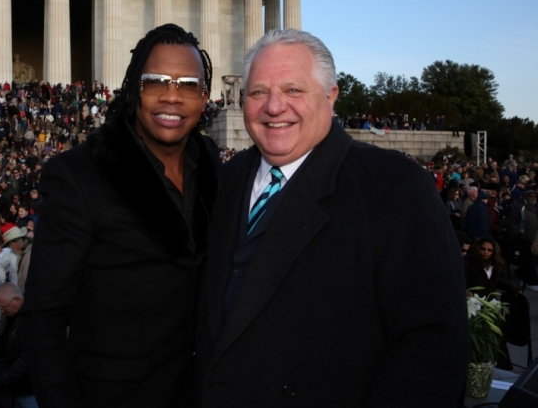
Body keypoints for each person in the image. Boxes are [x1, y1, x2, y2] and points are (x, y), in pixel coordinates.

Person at [195, 29, 468, 406]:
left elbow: (432, 348)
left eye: (294, 90)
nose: (274, 107)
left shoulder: (393, 188)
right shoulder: (226, 179)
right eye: (258, 92)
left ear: (330, 96)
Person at [20, 24, 221, 407]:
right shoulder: (79, 174)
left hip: (199, 390)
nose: (172, 96)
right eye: (156, 81)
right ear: (134, 89)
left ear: (204, 97)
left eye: (188, 85)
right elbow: (42, 319)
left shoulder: (210, 160)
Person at [0, 283, 36, 408]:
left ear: (16, 300)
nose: (1, 311)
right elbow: (1, 340)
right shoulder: (8, 313)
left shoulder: (31, 319)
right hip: (11, 386)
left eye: (4, 308)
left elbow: (26, 361)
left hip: (27, 390)